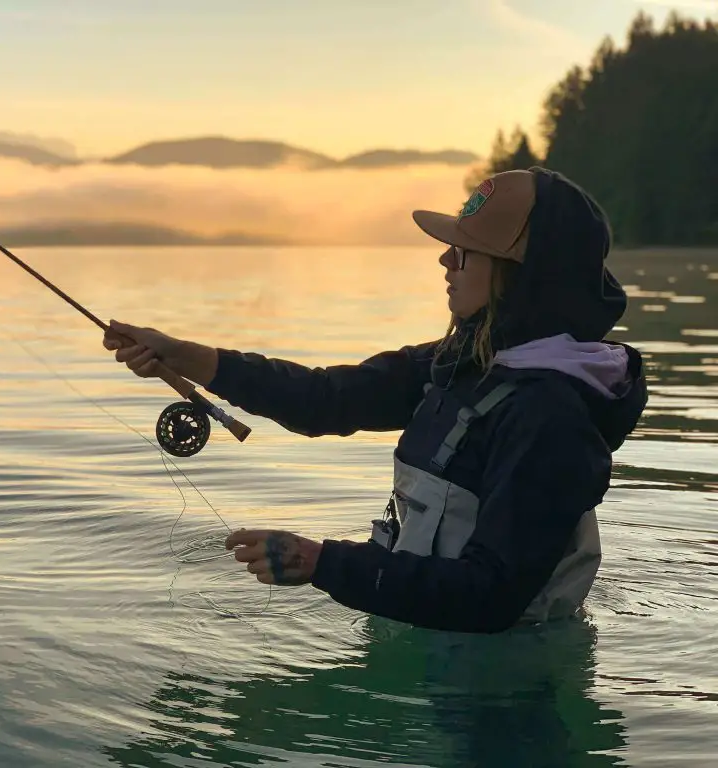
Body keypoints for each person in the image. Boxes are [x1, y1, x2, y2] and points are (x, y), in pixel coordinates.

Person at [103, 167, 648, 634]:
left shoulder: (549, 419)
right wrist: (186, 356)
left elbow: (492, 595)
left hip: (506, 692)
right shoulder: (460, 364)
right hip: (432, 655)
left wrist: (323, 563)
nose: (445, 262)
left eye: (463, 251)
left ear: (518, 276)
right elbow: (325, 399)